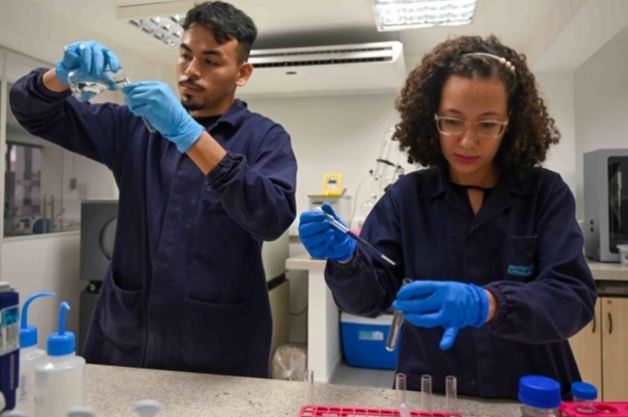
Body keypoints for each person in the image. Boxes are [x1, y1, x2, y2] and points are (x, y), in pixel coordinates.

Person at [298, 35, 596, 399]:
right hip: (431, 389)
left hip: (531, 392)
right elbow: (366, 300)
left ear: (511, 123)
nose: (467, 141)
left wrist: (489, 304)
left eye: (487, 125)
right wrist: (346, 259)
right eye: (452, 121)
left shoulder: (544, 194)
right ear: (431, 118)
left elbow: (572, 298)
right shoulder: (407, 198)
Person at [10, 1, 297, 378]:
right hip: (124, 344)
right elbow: (32, 110)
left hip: (217, 356)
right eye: (185, 55)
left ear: (242, 73)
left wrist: (190, 135)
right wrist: (60, 76)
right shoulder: (134, 126)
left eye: (211, 60)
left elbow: (272, 216)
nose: (191, 71)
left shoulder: (264, 137)